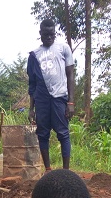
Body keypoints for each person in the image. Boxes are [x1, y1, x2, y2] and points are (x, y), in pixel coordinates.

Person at [28, 19, 76, 171]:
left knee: (63, 133)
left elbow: (70, 76)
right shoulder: (34, 55)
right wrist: (31, 108)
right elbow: (32, 84)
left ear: (55, 34)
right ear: (40, 34)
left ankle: (66, 171)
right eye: (46, 34)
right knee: (43, 134)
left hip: (59, 97)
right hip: (41, 100)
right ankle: (48, 170)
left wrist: (71, 102)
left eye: (52, 34)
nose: (49, 37)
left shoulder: (63, 48)